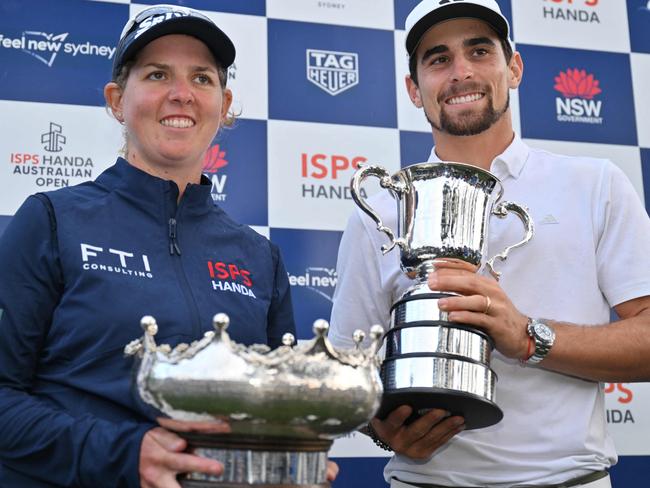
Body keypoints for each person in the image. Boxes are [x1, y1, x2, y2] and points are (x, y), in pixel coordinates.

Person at [0, 5, 329, 487]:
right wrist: (126, 454)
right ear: (116, 100)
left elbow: (269, 414)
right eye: (157, 75)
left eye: (201, 78)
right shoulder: (52, 219)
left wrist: (291, 458)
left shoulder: (258, 257)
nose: (181, 95)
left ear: (224, 103)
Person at [329, 0, 650, 487]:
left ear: (513, 68)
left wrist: (528, 336)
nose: (461, 72)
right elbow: (345, 371)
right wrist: (380, 427)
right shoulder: (378, 212)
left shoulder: (595, 184)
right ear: (414, 90)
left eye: (479, 51)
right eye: (438, 59)